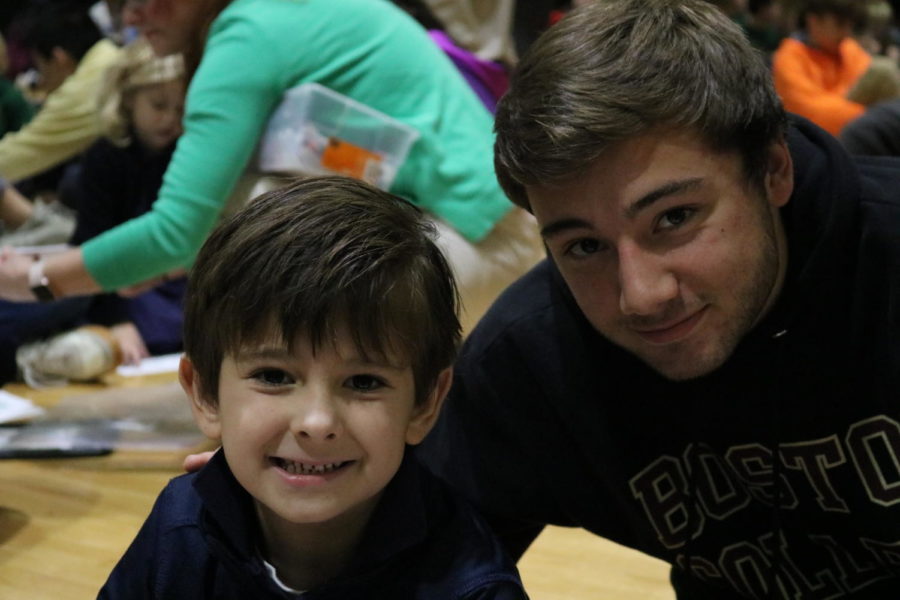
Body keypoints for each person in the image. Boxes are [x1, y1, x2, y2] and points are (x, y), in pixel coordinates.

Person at [414, 0, 900, 598]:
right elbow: (417, 564)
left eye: (674, 218)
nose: (641, 298)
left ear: (773, 169)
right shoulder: (533, 361)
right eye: (585, 247)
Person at [0, 0, 543, 336]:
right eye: (119, 4)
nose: (131, 17)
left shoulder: (247, 33)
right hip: (501, 241)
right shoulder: (277, 13)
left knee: (248, 210)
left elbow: (174, 231)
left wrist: (35, 278)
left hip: (473, 253)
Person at [98, 176, 527, 599]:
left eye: (363, 382)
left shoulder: (474, 588)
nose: (317, 422)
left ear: (424, 404)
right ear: (205, 393)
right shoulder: (178, 526)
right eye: (274, 376)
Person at [0, 39, 186, 385]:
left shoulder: (187, 151)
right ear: (129, 100)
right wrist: (117, 320)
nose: (170, 119)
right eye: (159, 105)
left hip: (169, 279)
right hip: (113, 280)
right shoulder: (105, 157)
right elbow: (93, 246)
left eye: (181, 109)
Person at [0, 2, 121, 182]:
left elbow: (18, 156)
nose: (41, 80)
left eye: (40, 67)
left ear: (59, 59)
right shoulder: (109, 54)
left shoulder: (82, 90)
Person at [771, 0, 900, 137]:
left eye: (849, 26)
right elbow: (813, 115)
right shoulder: (789, 57)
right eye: (840, 25)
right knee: (883, 70)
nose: (846, 33)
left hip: (857, 127)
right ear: (813, 21)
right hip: (822, 141)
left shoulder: (847, 47)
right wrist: (880, 117)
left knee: (885, 71)